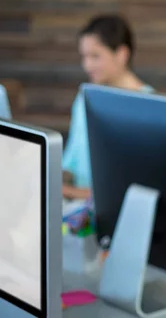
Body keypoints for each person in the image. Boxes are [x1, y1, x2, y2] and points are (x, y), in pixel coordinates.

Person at [62, 15, 154, 200]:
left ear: (121, 54)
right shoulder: (84, 98)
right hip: (77, 215)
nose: (87, 65)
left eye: (95, 56)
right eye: (84, 57)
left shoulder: (149, 107)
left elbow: (133, 189)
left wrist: (65, 192)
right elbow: (71, 165)